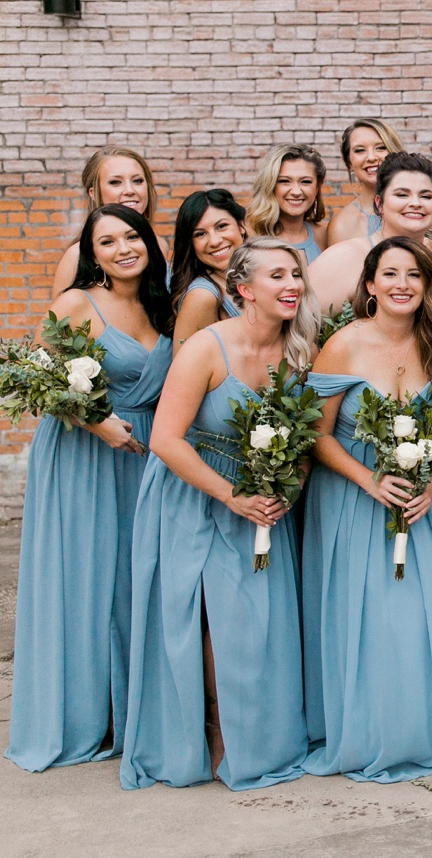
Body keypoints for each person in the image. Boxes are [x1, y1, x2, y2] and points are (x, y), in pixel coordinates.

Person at [121, 238, 316, 790]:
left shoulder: (300, 351)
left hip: (263, 501)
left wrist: (288, 488)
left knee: (253, 622)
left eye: (296, 275)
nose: (291, 285)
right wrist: (231, 496)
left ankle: (254, 730)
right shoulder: (206, 348)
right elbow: (165, 439)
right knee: (204, 621)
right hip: (194, 494)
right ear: (243, 289)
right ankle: (207, 731)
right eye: (277, 276)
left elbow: (304, 437)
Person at [301, 237, 432, 782]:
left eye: (414, 275)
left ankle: (425, 724)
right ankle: (371, 728)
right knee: (373, 614)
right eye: (390, 274)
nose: (402, 284)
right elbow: (317, 434)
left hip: (424, 498)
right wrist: (370, 480)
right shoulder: (343, 346)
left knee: (424, 613)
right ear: (371, 284)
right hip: (358, 499)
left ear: (427, 286)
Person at [6, 206, 173, 773]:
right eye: (107, 241)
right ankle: (79, 715)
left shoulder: (163, 305)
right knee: (85, 574)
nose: (123, 248)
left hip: (146, 451)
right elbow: (36, 376)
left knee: (133, 577)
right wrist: (96, 420)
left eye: (132, 236)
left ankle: (127, 712)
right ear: (91, 253)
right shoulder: (78, 302)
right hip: (83, 451)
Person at [308, 151, 432, 319]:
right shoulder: (344, 258)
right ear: (379, 204)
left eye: (426, 196)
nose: (415, 203)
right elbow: (297, 327)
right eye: (402, 194)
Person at [50, 146, 169, 299]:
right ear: (93, 193)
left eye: (137, 181)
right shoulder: (76, 256)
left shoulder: (159, 244)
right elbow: (58, 320)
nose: (129, 190)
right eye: (115, 182)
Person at [169, 189, 248, 351]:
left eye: (221, 226)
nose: (214, 241)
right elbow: (184, 371)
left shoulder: (255, 275)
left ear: (241, 226)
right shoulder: (202, 296)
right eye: (200, 234)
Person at [245, 143, 331, 263]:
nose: (296, 191)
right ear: (270, 185)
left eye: (305, 181)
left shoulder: (325, 236)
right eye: (284, 181)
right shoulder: (249, 237)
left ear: (318, 187)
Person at [326, 117, 406, 245]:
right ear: (349, 163)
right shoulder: (342, 225)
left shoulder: (417, 205)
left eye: (380, 148)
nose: (371, 157)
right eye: (360, 150)